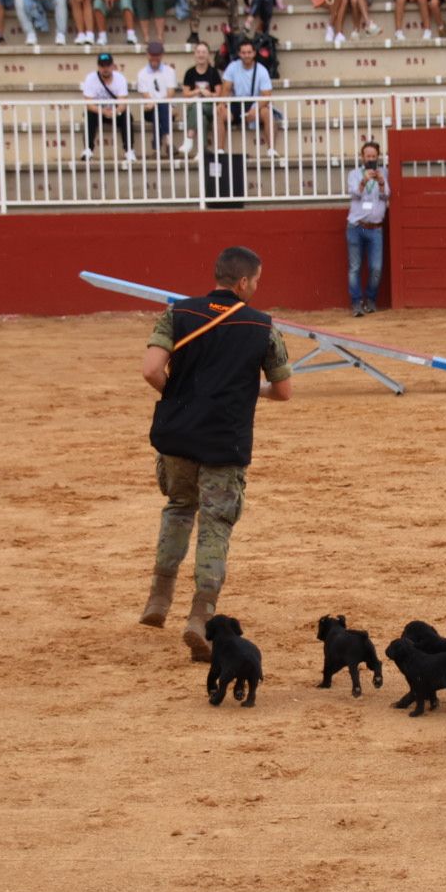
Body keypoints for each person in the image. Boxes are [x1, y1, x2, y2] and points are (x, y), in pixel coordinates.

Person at [138, 245, 293, 664]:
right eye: (257, 281)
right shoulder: (261, 327)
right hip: (225, 441)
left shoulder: (178, 313)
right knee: (216, 524)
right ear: (243, 283)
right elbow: (283, 390)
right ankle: (200, 616)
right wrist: (249, 390)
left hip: (178, 435)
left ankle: (159, 596)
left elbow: (152, 370)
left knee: (178, 506)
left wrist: (180, 399)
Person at [219, 38, 282, 161]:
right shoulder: (232, 67)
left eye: (249, 52)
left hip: (255, 103)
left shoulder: (262, 70)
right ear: (239, 54)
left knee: (267, 113)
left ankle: (271, 149)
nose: (246, 55)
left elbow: (266, 96)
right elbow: (226, 89)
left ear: (254, 53)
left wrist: (255, 109)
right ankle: (219, 151)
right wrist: (221, 104)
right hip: (236, 103)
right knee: (219, 113)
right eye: (243, 52)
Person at [345, 140, 387, 317]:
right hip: (356, 226)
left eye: (373, 156)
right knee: (355, 266)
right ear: (362, 157)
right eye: (367, 156)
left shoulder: (384, 173)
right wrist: (364, 181)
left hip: (375, 227)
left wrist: (382, 182)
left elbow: (387, 196)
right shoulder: (354, 174)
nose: (370, 159)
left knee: (376, 267)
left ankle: (370, 299)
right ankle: (356, 303)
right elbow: (354, 193)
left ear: (378, 157)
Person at [81, 50, 135, 164]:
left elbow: (123, 103)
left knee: (127, 117)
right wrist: (102, 111)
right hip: (98, 111)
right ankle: (88, 149)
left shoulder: (120, 78)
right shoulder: (90, 78)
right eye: (102, 66)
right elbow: (89, 104)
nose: (105, 68)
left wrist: (115, 112)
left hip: (115, 111)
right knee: (89, 115)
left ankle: (129, 150)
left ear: (113, 66)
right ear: (98, 66)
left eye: (108, 65)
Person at [135, 38, 179, 155]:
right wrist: (155, 103)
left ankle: (157, 146)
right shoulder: (142, 74)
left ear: (162, 55)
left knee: (160, 110)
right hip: (151, 108)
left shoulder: (170, 71)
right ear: (147, 55)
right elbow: (146, 96)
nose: (154, 59)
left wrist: (158, 102)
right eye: (152, 56)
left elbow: (170, 93)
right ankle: (169, 142)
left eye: (157, 56)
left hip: (166, 108)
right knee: (157, 110)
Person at [179, 38, 222, 155]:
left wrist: (209, 94)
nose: (201, 55)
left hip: (210, 107)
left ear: (208, 55)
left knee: (198, 107)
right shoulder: (190, 73)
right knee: (201, 118)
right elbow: (186, 94)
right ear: (194, 54)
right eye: (198, 52)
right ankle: (201, 151)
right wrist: (198, 91)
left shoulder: (213, 72)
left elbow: (219, 94)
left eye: (203, 52)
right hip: (195, 106)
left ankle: (189, 138)